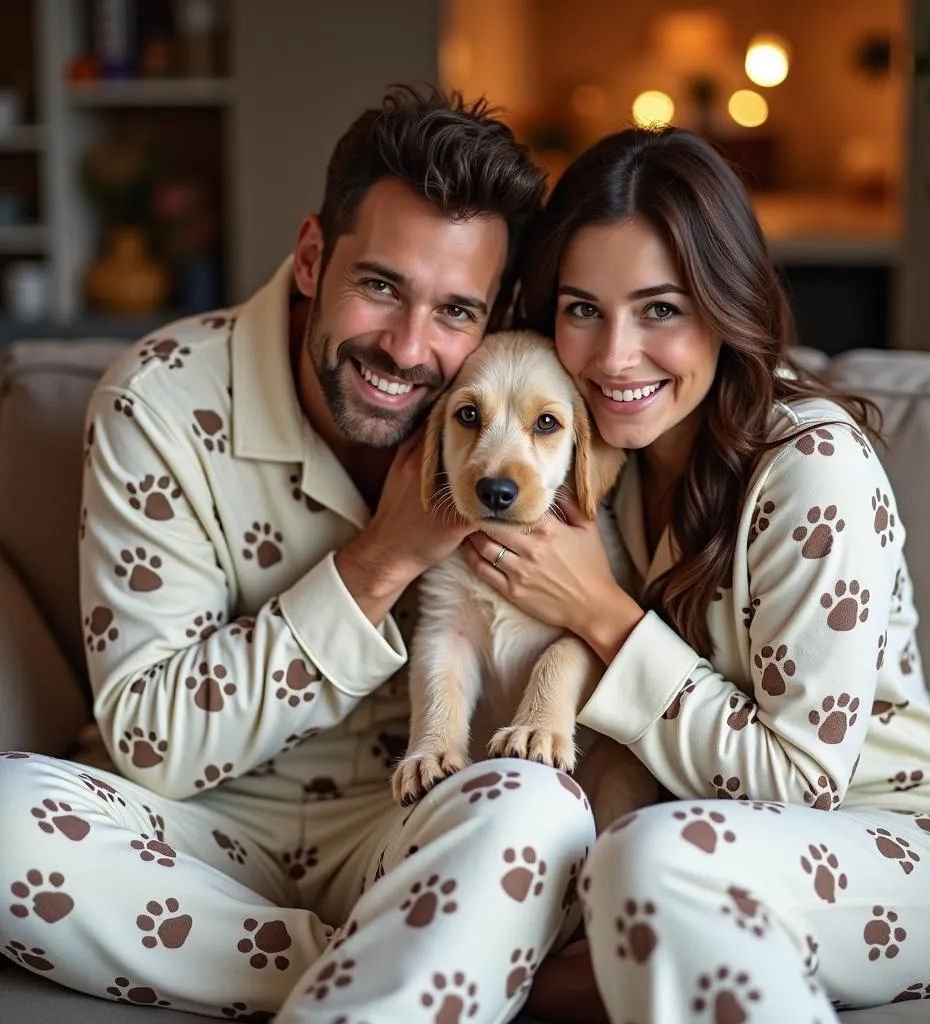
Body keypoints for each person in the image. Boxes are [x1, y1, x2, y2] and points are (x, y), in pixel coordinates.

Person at [0, 86, 595, 1023]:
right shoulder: (158, 406)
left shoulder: (513, 435)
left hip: (411, 833)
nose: (407, 348)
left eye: (455, 311)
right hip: (197, 838)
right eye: (381, 286)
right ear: (314, 256)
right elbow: (151, 743)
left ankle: (416, 957)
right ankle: (406, 968)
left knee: (538, 810)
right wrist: (382, 558)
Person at [464, 125, 930, 1023]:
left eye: (660, 310)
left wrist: (606, 616)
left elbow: (802, 785)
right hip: (687, 854)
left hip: (914, 847)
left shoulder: (813, 466)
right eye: (581, 309)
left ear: (725, 306)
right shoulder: (586, 454)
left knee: (646, 861)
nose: (613, 357)